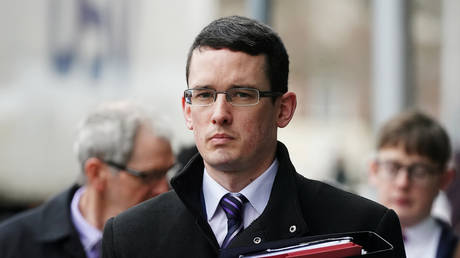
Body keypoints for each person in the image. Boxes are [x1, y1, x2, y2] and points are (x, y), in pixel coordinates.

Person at [102, 15, 406, 258]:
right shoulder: (130, 236)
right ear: (187, 109)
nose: (220, 113)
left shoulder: (361, 229)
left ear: (283, 110)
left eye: (242, 94)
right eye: (205, 94)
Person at [0, 101, 174, 258]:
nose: (164, 189)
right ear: (96, 173)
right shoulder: (13, 245)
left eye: (167, 172)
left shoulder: (175, 237)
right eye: (149, 176)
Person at [369, 111, 459, 258]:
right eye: (392, 168)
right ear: (374, 171)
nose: (402, 183)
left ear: (445, 179)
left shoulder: (455, 250)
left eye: (420, 171)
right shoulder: (348, 246)